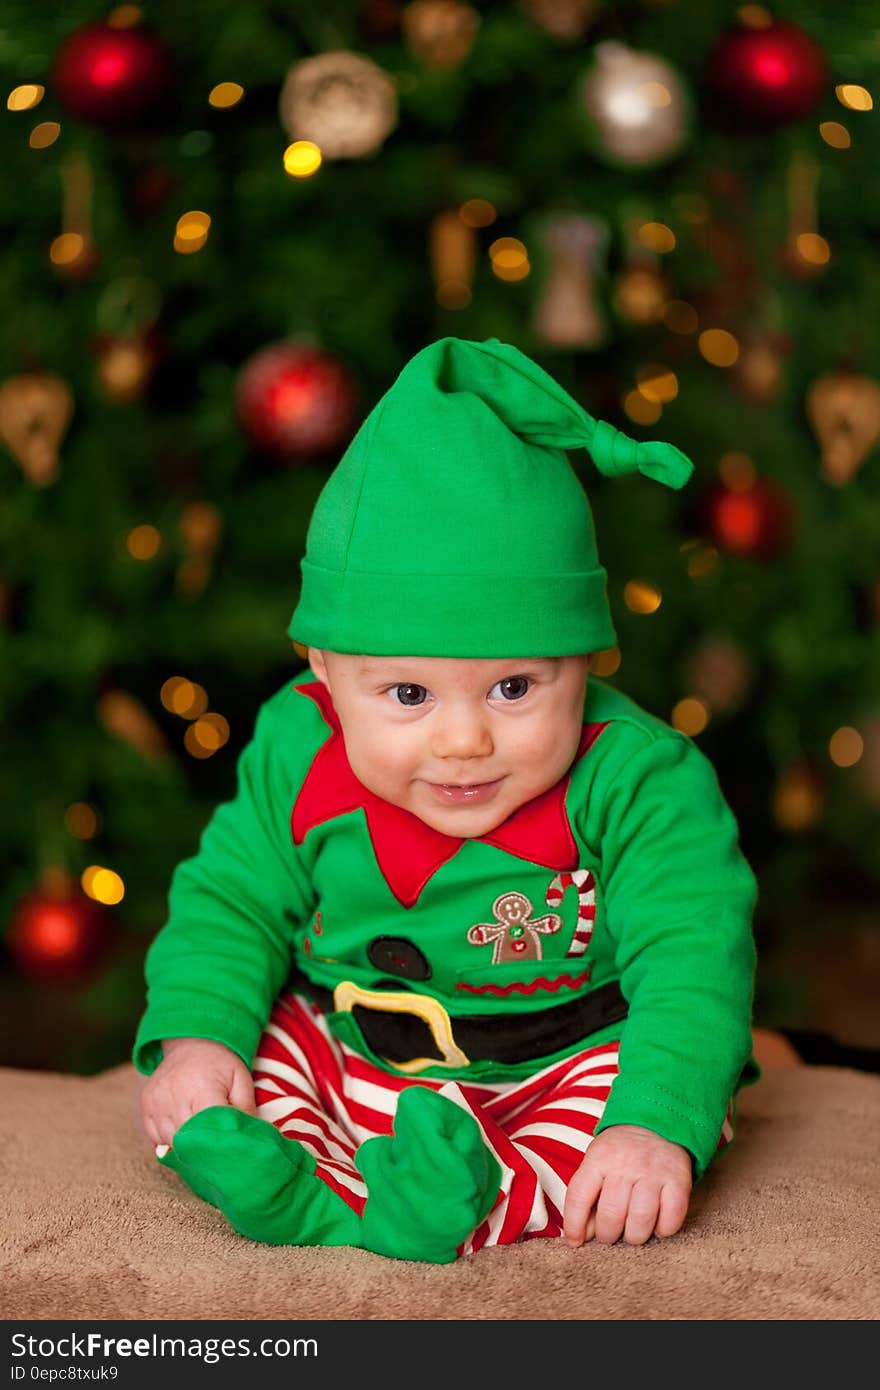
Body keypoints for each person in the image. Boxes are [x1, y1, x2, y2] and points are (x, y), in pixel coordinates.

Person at [133, 336, 760, 1264]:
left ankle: (456, 1201)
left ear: (584, 662)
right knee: (253, 1057)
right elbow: (230, 900)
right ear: (325, 670)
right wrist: (195, 1040)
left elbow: (692, 955)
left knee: (609, 1138)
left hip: (560, 1063)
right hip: (358, 1043)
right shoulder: (298, 747)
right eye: (409, 696)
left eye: (515, 689)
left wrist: (653, 1126)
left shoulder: (639, 779)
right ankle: (302, 1186)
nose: (464, 742)